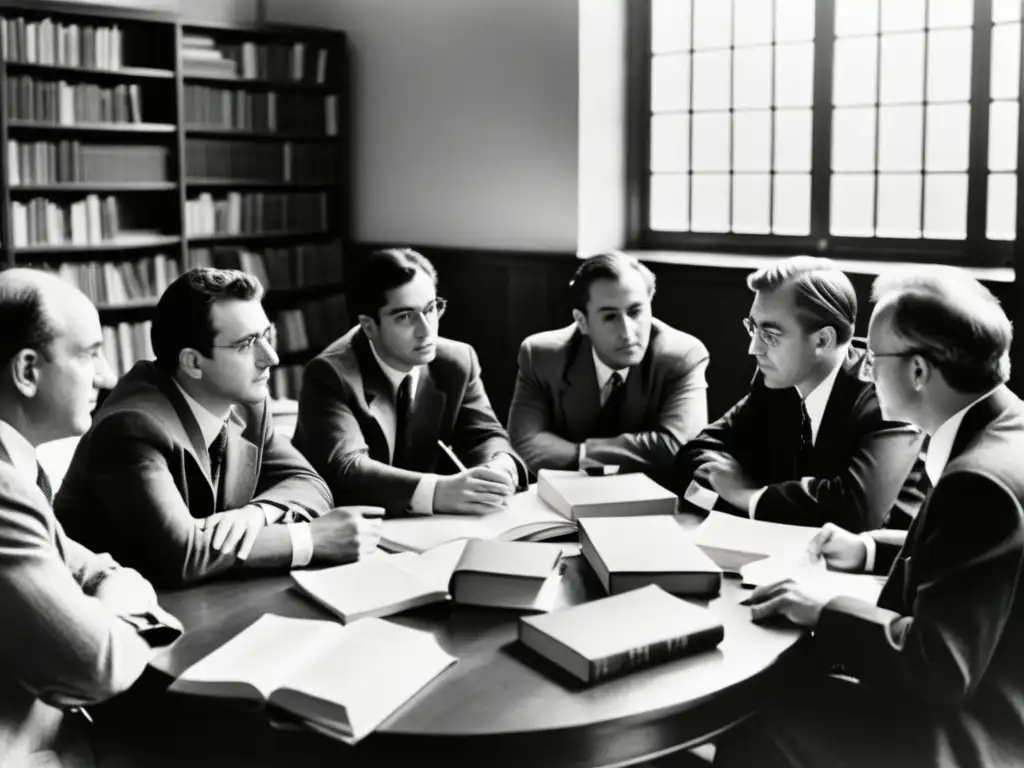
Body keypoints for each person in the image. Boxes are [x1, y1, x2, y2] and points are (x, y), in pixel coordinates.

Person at [717, 267, 1024, 768]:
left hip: (976, 730)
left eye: (875, 357)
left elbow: (941, 666)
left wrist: (826, 610)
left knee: (759, 723)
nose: (864, 368)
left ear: (919, 372)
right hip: (990, 688)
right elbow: (969, 556)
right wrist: (869, 549)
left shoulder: (979, 480)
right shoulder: (1003, 427)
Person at [55, 268, 381, 587]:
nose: (270, 358)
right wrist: (309, 538)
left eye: (266, 336)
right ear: (193, 362)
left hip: (211, 596)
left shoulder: (248, 400)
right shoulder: (130, 426)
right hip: (120, 612)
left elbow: (308, 483)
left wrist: (256, 514)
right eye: (246, 344)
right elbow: (183, 554)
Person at [0, 268, 157, 768]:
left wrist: (107, 582)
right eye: (90, 353)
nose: (108, 375)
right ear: (27, 371)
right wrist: (129, 599)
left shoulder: (20, 469)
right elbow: (98, 663)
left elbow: (84, 564)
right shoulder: (3, 489)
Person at [672, 256, 926, 531]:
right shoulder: (778, 381)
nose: (754, 348)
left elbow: (855, 514)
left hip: (879, 568)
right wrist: (733, 496)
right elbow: (697, 452)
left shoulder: (884, 394)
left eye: (770, 334)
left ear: (822, 340)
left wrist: (749, 497)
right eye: (752, 328)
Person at [292, 247, 528, 516]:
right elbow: (346, 468)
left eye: (431, 309)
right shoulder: (330, 373)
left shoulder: (457, 361)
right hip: (349, 524)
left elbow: (486, 435)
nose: (426, 331)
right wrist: (438, 492)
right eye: (405, 316)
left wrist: (500, 466)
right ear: (369, 326)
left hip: (430, 526)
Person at [507, 251, 709, 474]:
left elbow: (678, 447)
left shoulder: (683, 355)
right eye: (610, 317)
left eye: (636, 311)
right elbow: (525, 446)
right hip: (566, 493)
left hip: (652, 497)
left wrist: (581, 454)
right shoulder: (541, 356)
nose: (627, 332)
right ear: (582, 322)